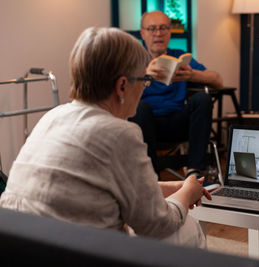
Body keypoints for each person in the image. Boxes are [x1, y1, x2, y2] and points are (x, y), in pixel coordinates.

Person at [0, 27, 211, 247]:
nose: (144, 87)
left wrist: (174, 187)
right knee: (188, 225)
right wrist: (187, 193)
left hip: (19, 248)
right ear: (122, 86)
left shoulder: (52, 117)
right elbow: (157, 226)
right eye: (144, 80)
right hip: (76, 254)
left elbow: (98, 186)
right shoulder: (119, 133)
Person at [128, 11, 223, 178]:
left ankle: (194, 172)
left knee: (203, 99)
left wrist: (192, 75)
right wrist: (144, 75)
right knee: (140, 108)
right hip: (145, 125)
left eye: (163, 28)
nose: (158, 33)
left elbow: (217, 80)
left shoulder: (179, 55)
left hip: (178, 121)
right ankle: (152, 178)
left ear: (170, 31)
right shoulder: (132, 59)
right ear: (142, 33)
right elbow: (117, 91)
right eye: (152, 28)